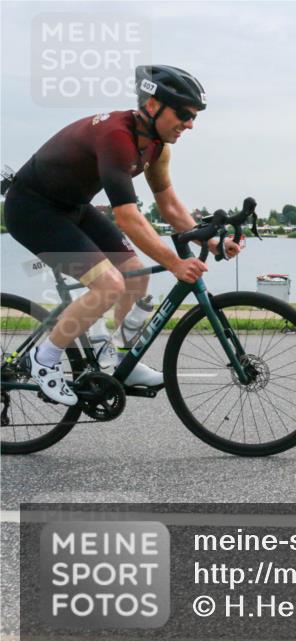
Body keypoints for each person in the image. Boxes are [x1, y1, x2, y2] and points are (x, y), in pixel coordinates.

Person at [3, 65, 241, 406]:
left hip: (73, 207)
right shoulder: (117, 137)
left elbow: (170, 206)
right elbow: (127, 216)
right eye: (184, 114)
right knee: (108, 284)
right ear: (153, 106)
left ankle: (114, 361)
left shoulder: (157, 147)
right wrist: (174, 263)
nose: (190, 124)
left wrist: (211, 242)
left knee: (135, 278)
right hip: (32, 209)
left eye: (194, 117)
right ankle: (43, 360)